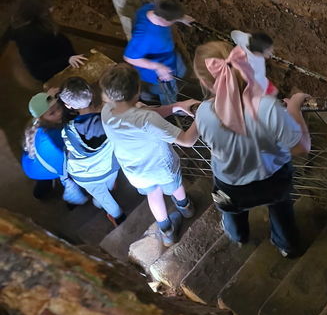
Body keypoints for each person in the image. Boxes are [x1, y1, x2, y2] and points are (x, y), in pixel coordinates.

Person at [192, 41, 311, 255]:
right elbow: (302, 147)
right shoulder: (267, 106)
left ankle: (238, 235)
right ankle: (287, 246)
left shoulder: (203, 113)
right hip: (273, 179)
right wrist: (294, 107)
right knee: (281, 209)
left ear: (204, 81)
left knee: (231, 212)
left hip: (230, 187)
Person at [100, 63, 199, 247]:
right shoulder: (147, 119)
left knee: (153, 196)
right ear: (138, 90)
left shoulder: (106, 112)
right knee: (176, 187)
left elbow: (141, 112)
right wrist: (202, 115)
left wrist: (176, 107)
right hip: (163, 168)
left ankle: (167, 232)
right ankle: (186, 208)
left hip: (136, 174)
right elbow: (187, 140)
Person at [59, 78, 125, 226]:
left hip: (86, 175)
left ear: (68, 106)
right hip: (110, 165)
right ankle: (108, 188)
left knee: (102, 197)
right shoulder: (108, 118)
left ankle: (118, 216)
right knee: (108, 183)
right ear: (91, 93)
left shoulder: (67, 130)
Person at [0, 0, 85, 83]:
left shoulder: (27, 23)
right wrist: (67, 60)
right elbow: (38, 70)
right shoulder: (30, 39)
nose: (52, 8)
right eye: (47, 8)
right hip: (58, 67)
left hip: (63, 57)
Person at [20, 92, 88, 206]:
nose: (59, 113)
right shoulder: (55, 136)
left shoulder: (34, 126)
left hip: (31, 164)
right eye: (52, 113)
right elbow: (65, 164)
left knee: (44, 174)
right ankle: (71, 203)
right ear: (42, 117)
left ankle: (40, 192)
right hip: (47, 166)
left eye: (58, 108)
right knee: (69, 175)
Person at [123, 0, 194, 105]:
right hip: (158, 72)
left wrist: (181, 18)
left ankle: (151, 96)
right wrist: (158, 67)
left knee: (181, 71)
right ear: (164, 21)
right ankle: (170, 108)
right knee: (167, 92)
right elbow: (129, 57)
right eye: (173, 21)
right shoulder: (144, 37)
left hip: (168, 57)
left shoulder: (150, 8)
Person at [230, 29, 279, 95]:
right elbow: (256, 81)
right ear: (257, 53)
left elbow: (234, 33)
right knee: (274, 92)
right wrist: (265, 92)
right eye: (268, 51)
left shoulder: (248, 39)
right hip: (258, 85)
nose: (271, 53)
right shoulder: (255, 65)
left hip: (259, 80)